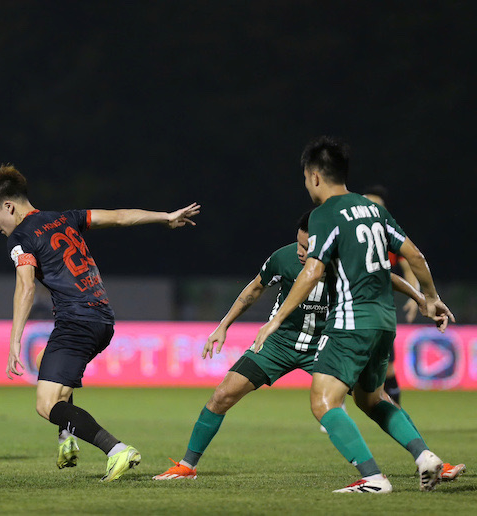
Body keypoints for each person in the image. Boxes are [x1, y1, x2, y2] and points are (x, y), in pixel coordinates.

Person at [153, 210, 463, 481]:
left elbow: (387, 277)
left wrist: (421, 298)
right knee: (222, 395)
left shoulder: (344, 259)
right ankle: (187, 466)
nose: (301, 252)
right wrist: (223, 325)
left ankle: (431, 460)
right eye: (299, 244)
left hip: (329, 344)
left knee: (376, 400)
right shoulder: (283, 258)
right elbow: (254, 289)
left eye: (308, 246)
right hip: (279, 343)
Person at [0, 164, 199, 481]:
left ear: (8, 206)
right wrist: (165, 217)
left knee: (45, 405)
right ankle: (67, 438)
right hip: (102, 319)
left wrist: (14, 340)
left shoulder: (21, 238)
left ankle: (116, 450)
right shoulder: (66, 218)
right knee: (47, 363)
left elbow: (25, 287)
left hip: (76, 321)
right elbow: (120, 217)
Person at [253, 136, 455, 493]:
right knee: (370, 399)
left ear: (315, 176)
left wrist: (277, 318)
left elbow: (312, 271)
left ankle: (373, 477)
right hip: (384, 321)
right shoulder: (374, 210)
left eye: (305, 178)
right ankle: (424, 456)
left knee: (323, 401)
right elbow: (415, 257)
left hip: (350, 321)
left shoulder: (324, 214)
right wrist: (431, 298)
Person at [362, 185, 416, 406]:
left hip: (380, 308)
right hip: (348, 306)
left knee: (388, 368)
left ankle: (397, 413)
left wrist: (414, 296)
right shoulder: (347, 231)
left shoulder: (389, 236)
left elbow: (411, 266)